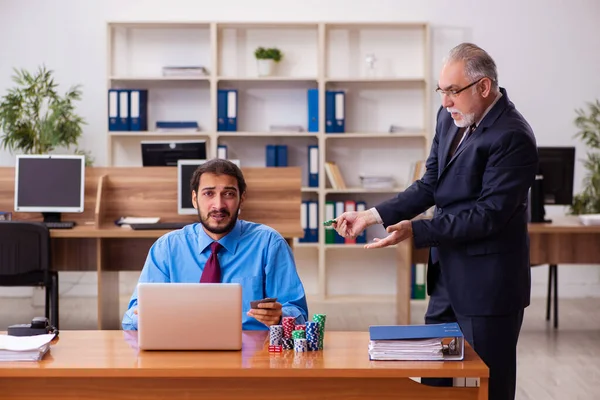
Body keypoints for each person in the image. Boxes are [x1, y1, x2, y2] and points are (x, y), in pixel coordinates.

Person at [333, 43, 538, 400]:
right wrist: (370, 216)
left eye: (453, 92)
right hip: (445, 278)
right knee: (434, 378)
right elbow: (430, 184)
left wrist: (417, 230)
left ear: (484, 87)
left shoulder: (513, 136)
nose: (445, 102)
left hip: (489, 287)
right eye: (441, 91)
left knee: (490, 385)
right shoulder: (450, 117)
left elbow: (488, 216)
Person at [122, 158, 309, 331]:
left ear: (241, 199)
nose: (218, 205)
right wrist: (144, 316)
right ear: (195, 199)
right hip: (184, 348)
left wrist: (280, 316)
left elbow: (298, 314)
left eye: (228, 194)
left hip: (251, 354)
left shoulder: (269, 244)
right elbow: (130, 318)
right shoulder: (167, 248)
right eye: (209, 193)